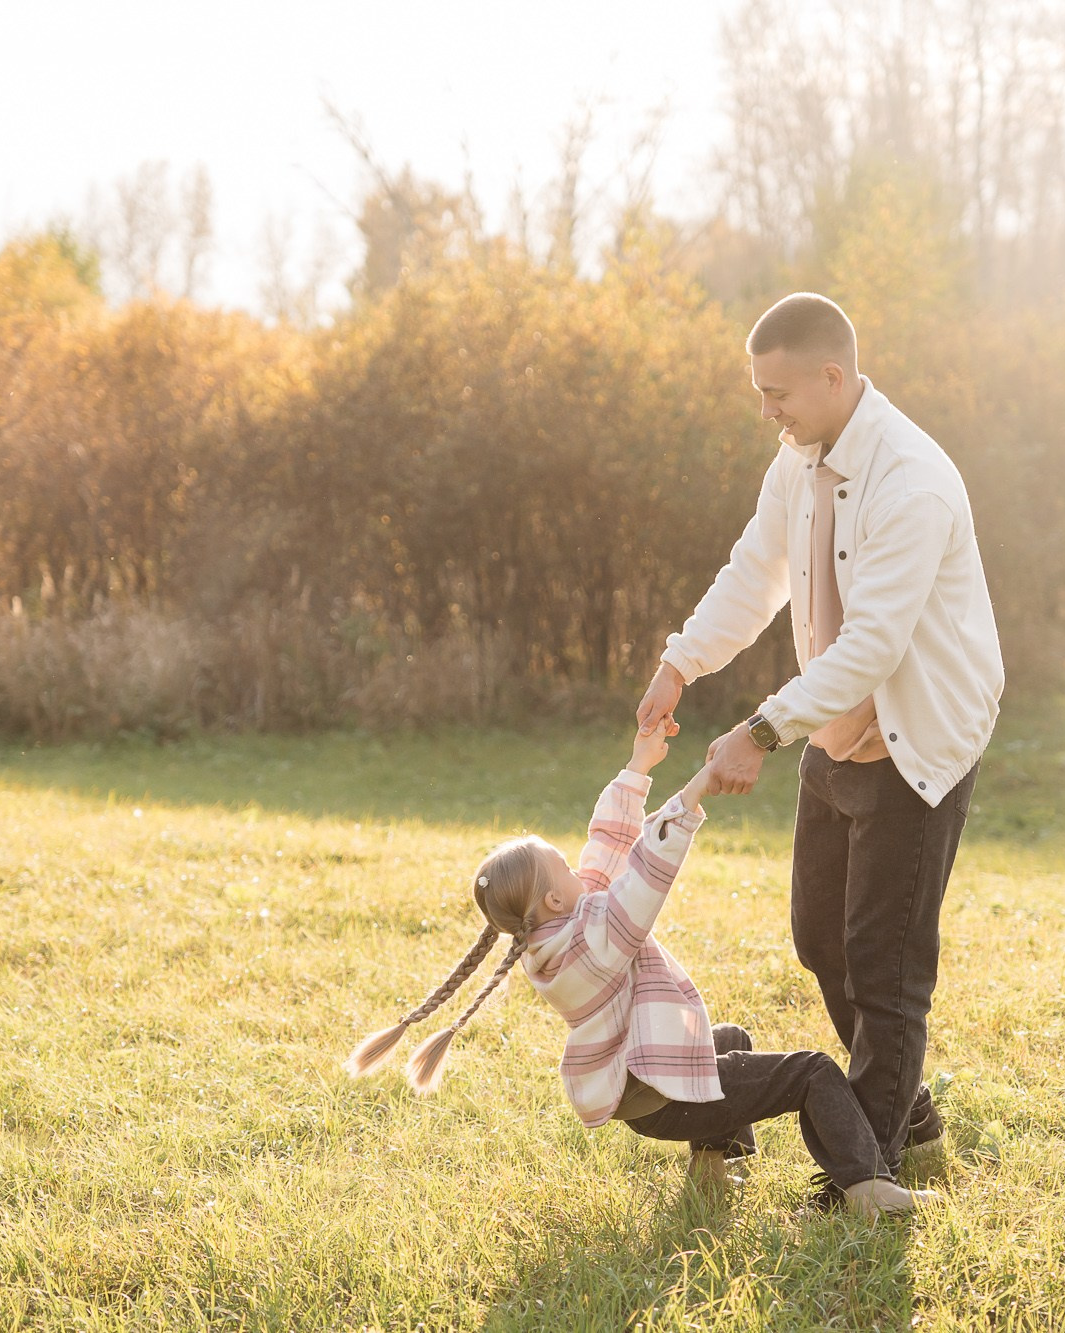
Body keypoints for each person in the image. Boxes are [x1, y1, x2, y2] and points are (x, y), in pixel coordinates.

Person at [635, 292, 1004, 1203]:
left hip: (914, 742)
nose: (768, 411)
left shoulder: (911, 480)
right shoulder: (798, 462)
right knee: (818, 937)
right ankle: (903, 1100)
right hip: (832, 727)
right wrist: (679, 664)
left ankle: (866, 1169)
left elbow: (873, 644)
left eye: (778, 392)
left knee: (884, 963)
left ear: (833, 378)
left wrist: (759, 731)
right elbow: (753, 571)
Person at [344, 723, 934, 1218]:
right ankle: (866, 1186)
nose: (580, 873)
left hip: (642, 1088)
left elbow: (605, 848)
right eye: (564, 871)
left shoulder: (556, 934)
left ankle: (709, 1171)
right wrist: (696, 791)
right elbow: (641, 875)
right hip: (659, 1095)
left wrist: (638, 765)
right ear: (553, 900)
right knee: (812, 1071)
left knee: (728, 1041)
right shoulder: (593, 937)